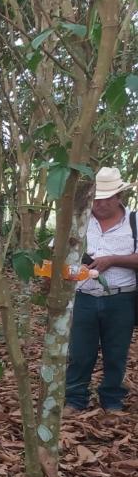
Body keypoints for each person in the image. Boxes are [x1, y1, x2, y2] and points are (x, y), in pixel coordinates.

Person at [64, 167, 138, 414]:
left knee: (116, 353)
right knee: (80, 352)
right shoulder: (79, 220)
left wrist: (114, 259)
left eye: (108, 198)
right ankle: (75, 399)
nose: (101, 203)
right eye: (97, 198)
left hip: (121, 298)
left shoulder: (134, 221)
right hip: (84, 297)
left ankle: (112, 400)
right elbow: (59, 251)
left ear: (119, 197)